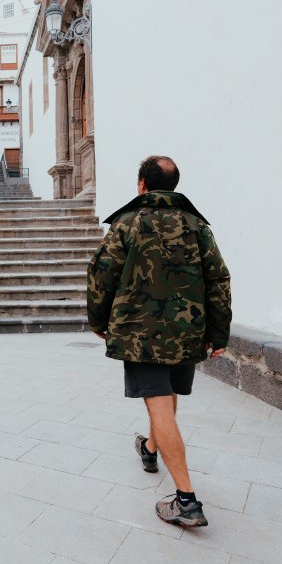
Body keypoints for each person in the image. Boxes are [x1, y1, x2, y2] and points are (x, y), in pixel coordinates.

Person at [87, 156, 231, 527]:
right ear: (174, 184)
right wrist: (218, 334)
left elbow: (101, 274)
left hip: (140, 333)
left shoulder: (128, 223)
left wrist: (98, 321)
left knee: (160, 406)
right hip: (187, 332)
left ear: (142, 185)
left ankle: (186, 500)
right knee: (166, 398)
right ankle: (150, 449)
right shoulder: (197, 226)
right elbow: (219, 280)